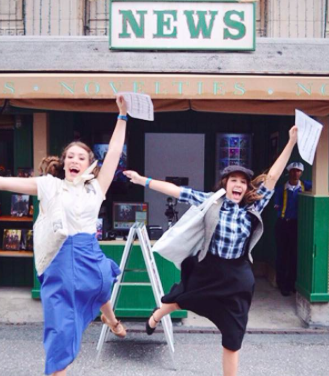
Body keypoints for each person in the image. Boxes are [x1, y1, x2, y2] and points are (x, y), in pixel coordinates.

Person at [124, 126, 299, 376]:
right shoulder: (210, 201)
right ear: (225, 184)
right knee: (184, 297)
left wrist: (291, 140)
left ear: (246, 187)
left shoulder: (253, 206)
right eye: (233, 180)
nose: (238, 185)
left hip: (238, 274)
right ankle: (158, 314)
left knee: (234, 333)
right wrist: (143, 180)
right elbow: (177, 191)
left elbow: (272, 177)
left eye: (242, 181)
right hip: (209, 268)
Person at [0, 95, 128, 376]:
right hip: (59, 260)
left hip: (88, 254)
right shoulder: (50, 186)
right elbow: (10, 183)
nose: (74, 160)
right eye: (70, 156)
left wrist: (122, 116)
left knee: (102, 281)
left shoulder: (96, 188)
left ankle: (112, 320)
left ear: (89, 164)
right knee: (60, 333)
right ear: (64, 162)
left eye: (81, 157)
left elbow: (115, 152)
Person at [274, 161, 312, 296]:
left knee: (294, 255)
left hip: (297, 224)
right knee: (282, 254)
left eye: (298, 171)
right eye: (293, 170)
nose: (295, 173)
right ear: (289, 172)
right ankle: (282, 284)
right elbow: (277, 207)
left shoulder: (306, 186)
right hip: (283, 223)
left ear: (301, 173)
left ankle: (293, 283)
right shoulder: (281, 189)